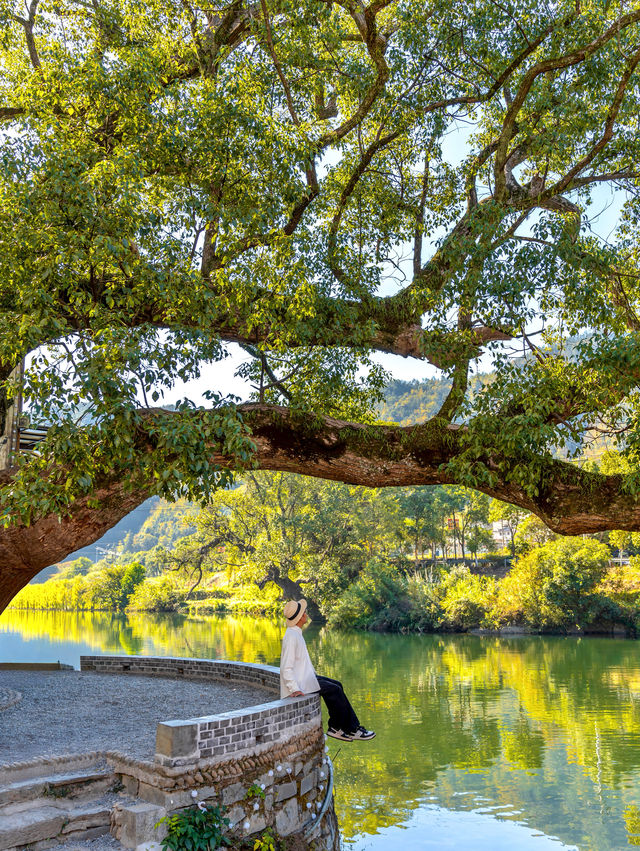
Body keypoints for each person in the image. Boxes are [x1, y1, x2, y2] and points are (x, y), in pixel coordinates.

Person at [279, 598, 376, 742]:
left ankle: (338, 727)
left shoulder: (296, 633)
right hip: (301, 684)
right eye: (304, 612)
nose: (306, 614)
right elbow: (285, 667)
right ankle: (350, 729)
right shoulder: (292, 636)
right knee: (334, 690)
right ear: (300, 618)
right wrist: (294, 688)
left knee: (337, 685)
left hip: (307, 678)